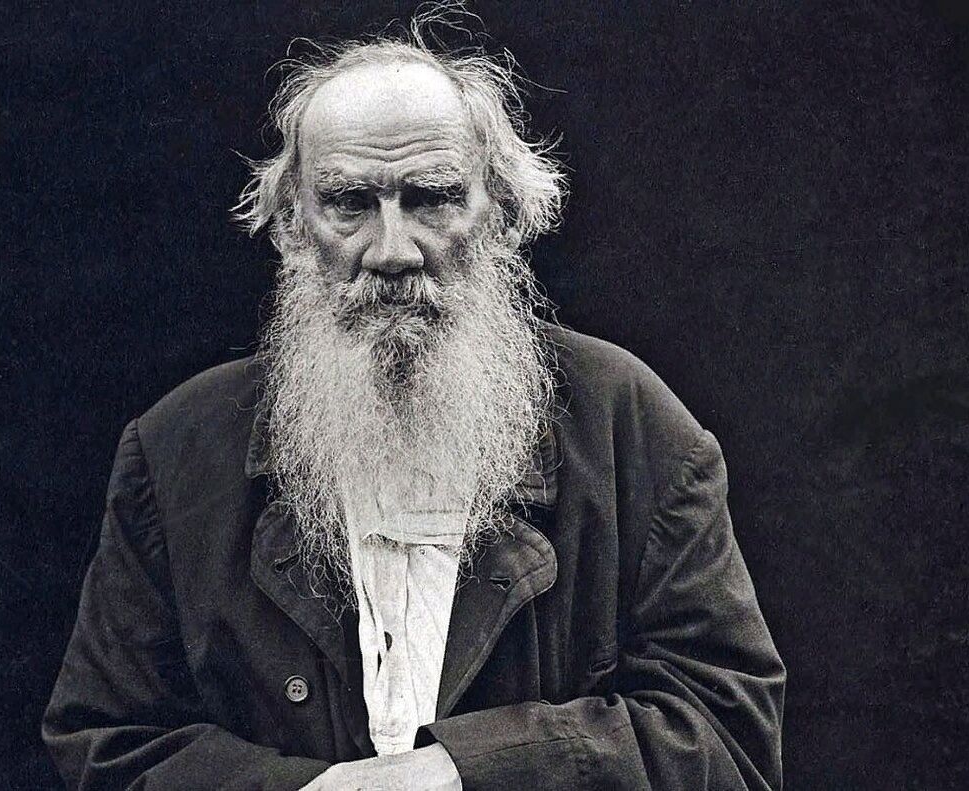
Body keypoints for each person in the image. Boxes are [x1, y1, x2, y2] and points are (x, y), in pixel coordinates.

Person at [42, 11, 785, 790]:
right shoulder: (177, 451)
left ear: (501, 214)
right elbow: (107, 741)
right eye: (350, 202)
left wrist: (462, 773)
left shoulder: (633, 428)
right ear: (293, 225)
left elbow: (727, 732)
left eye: (430, 198)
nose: (392, 250)